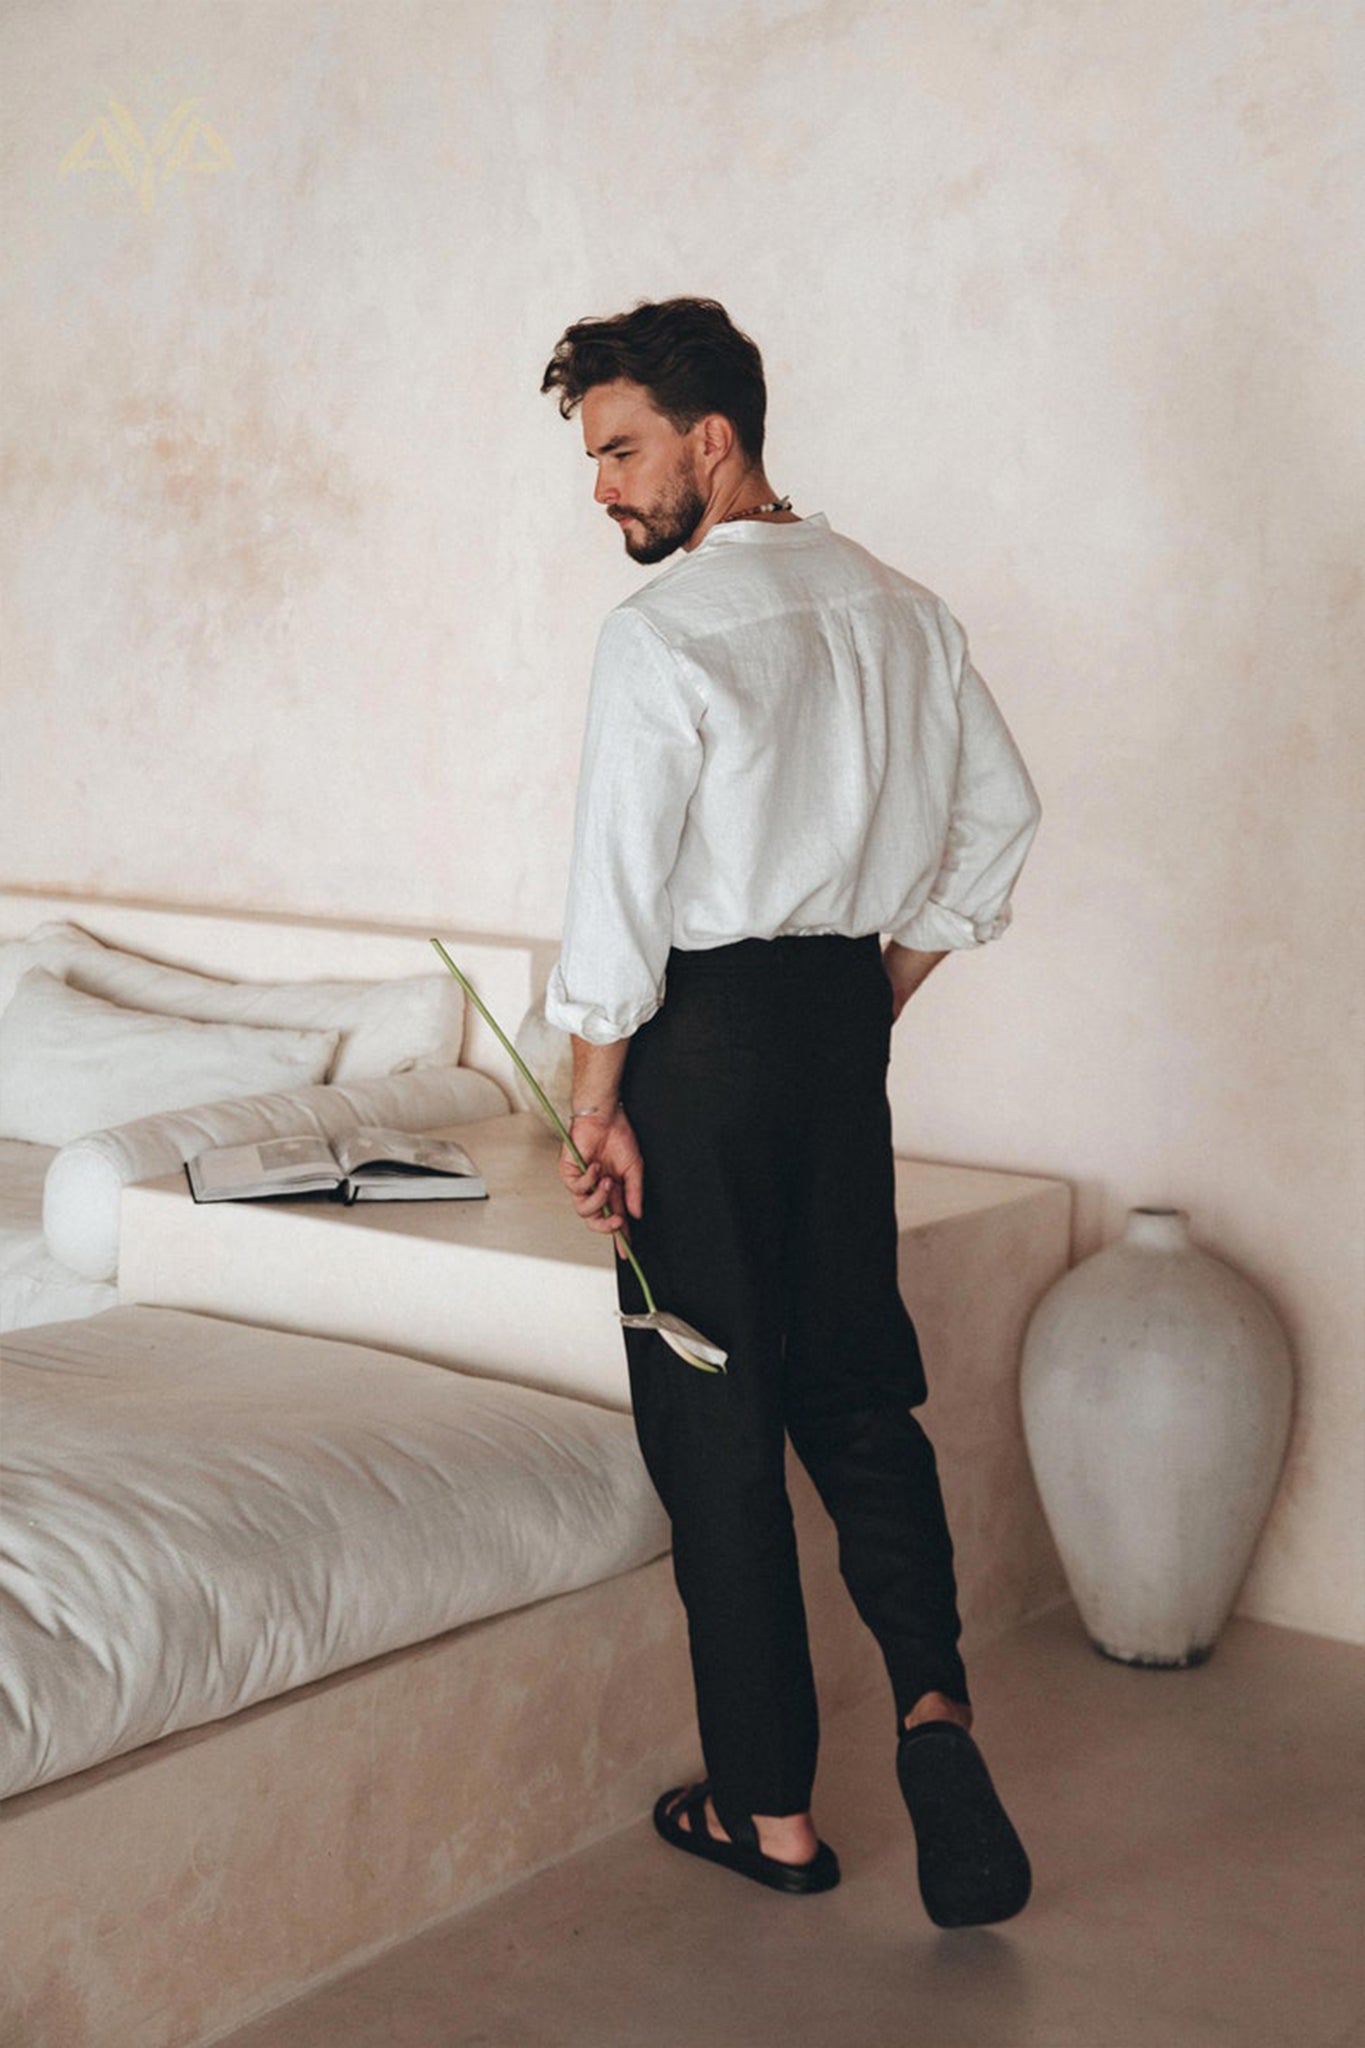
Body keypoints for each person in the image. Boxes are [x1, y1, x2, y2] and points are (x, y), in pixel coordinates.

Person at [540, 297, 1040, 1927]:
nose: (601, 488)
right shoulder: (902, 608)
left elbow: (617, 900)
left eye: (618, 450)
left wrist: (595, 1100)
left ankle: (769, 1816)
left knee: (717, 1423)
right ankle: (932, 1709)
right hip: (834, 1029)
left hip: (695, 1047)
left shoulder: (667, 632)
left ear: (712, 439)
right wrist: (876, 991)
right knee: (853, 1382)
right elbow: (1000, 818)